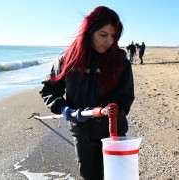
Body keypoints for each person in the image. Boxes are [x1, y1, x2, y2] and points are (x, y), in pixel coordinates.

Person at [39, 6, 135, 180]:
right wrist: (63, 108)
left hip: (113, 137)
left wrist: (109, 110)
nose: (109, 41)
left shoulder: (120, 63)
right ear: (89, 31)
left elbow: (125, 98)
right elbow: (49, 89)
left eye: (113, 36)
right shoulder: (67, 59)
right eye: (103, 34)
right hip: (83, 137)